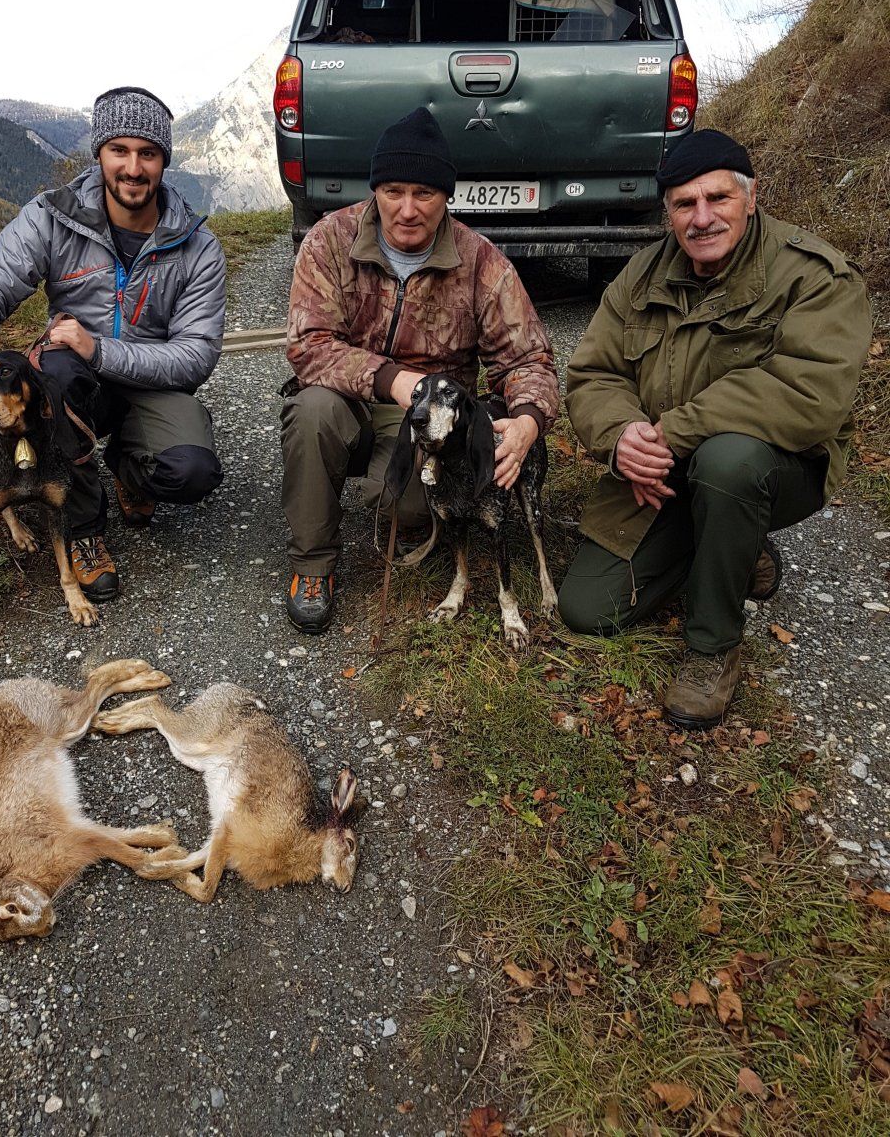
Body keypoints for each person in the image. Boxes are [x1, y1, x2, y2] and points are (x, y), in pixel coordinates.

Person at [558, 129, 871, 728]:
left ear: (750, 198)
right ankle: (730, 545)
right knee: (587, 609)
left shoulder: (816, 275)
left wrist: (671, 434)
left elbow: (808, 393)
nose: (702, 218)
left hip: (775, 467)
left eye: (717, 199)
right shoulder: (641, 276)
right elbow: (593, 372)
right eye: (684, 204)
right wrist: (625, 435)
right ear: (668, 213)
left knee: (729, 462)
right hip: (668, 468)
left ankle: (713, 648)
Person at [0, 85, 225, 602]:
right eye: (120, 150)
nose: (133, 168)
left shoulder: (198, 247)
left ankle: (129, 470)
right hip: (74, 380)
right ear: (99, 154)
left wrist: (101, 349)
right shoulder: (52, 217)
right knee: (58, 377)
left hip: (148, 381)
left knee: (192, 470)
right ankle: (86, 532)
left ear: (164, 162)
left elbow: (195, 357)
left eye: (148, 153)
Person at [281, 106, 559, 633]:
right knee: (311, 412)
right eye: (393, 191)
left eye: (424, 194)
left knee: (407, 506)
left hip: (428, 422)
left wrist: (526, 419)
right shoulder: (329, 241)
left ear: (446, 197)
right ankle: (312, 566)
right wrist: (394, 381)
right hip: (344, 399)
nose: (407, 210)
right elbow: (308, 345)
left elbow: (530, 359)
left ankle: (397, 508)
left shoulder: (482, 263)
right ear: (375, 191)